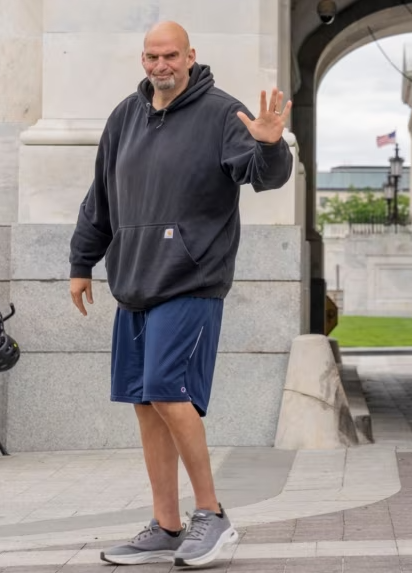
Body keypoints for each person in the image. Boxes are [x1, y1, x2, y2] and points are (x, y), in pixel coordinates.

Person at [67, 21, 293, 568]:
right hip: (134, 283)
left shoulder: (222, 113)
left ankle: (211, 516)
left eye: (170, 55)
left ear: (190, 56)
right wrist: (82, 262)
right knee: (145, 404)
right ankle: (166, 524)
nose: (160, 65)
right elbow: (101, 194)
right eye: (151, 56)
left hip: (191, 282)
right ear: (142, 58)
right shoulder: (125, 115)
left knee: (169, 393)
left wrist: (270, 145)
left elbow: (265, 175)